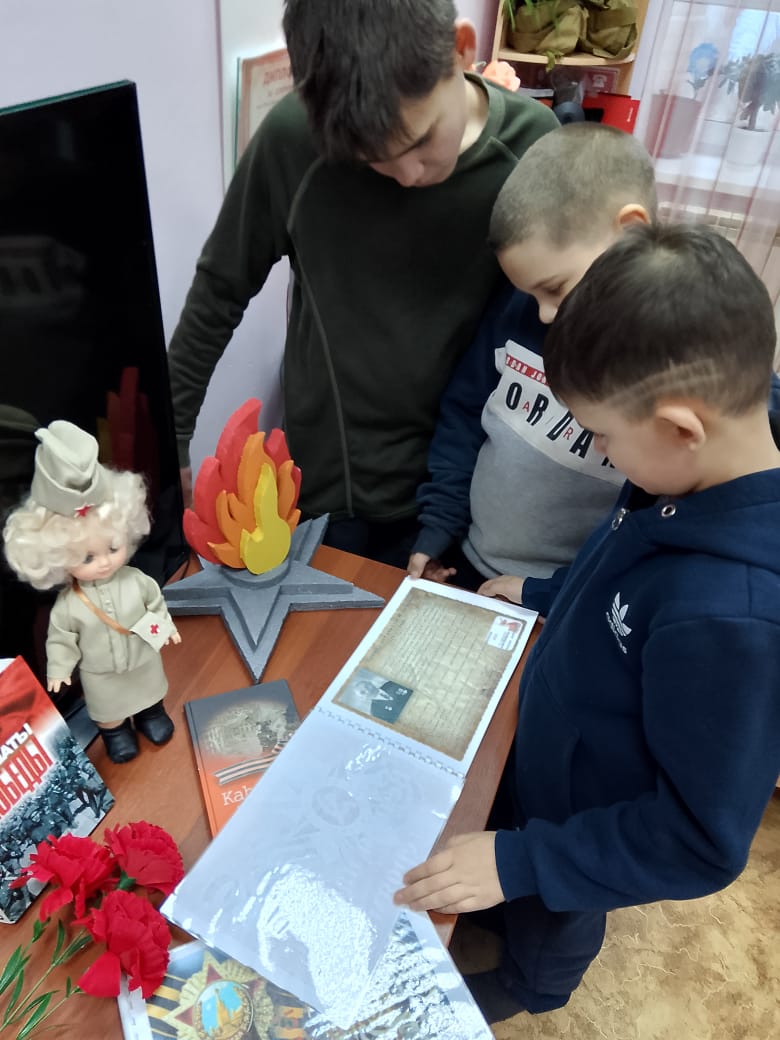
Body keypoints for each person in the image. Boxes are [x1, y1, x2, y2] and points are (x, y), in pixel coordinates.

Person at [393, 224, 780, 1021]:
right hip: (548, 763)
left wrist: (523, 863)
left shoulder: (731, 620)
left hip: (584, 824)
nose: (599, 451)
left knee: (549, 924)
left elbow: (697, 841)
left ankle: (532, 987)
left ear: (681, 427)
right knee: (504, 874)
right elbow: (619, 566)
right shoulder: (685, 470)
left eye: (601, 436)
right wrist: (544, 594)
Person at [166, 0, 558, 568]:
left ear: (460, 51)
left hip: (460, 489)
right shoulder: (294, 140)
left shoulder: (531, 148)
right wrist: (172, 440)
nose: (408, 176)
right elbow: (218, 292)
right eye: (373, 160)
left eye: (420, 142)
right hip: (328, 485)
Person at [408, 123, 658, 588]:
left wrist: (544, 592)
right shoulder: (516, 310)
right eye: (530, 294)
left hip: (572, 595)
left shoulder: (681, 353)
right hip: (473, 565)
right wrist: (439, 526)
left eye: (555, 288)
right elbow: (464, 416)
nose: (544, 315)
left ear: (630, 232)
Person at [3, 421, 181, 764]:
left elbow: (154, 602)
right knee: (108, 708)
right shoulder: (69, 606)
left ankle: (151, 715)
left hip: (142, 660)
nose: (104, 562)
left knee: (149, 692)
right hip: (101, 674)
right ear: (56, 559)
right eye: (86, 557)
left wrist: (165, 626)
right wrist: (59, 669)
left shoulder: (136, 580)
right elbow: (61, 638)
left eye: (113, 548)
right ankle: (116, 733)